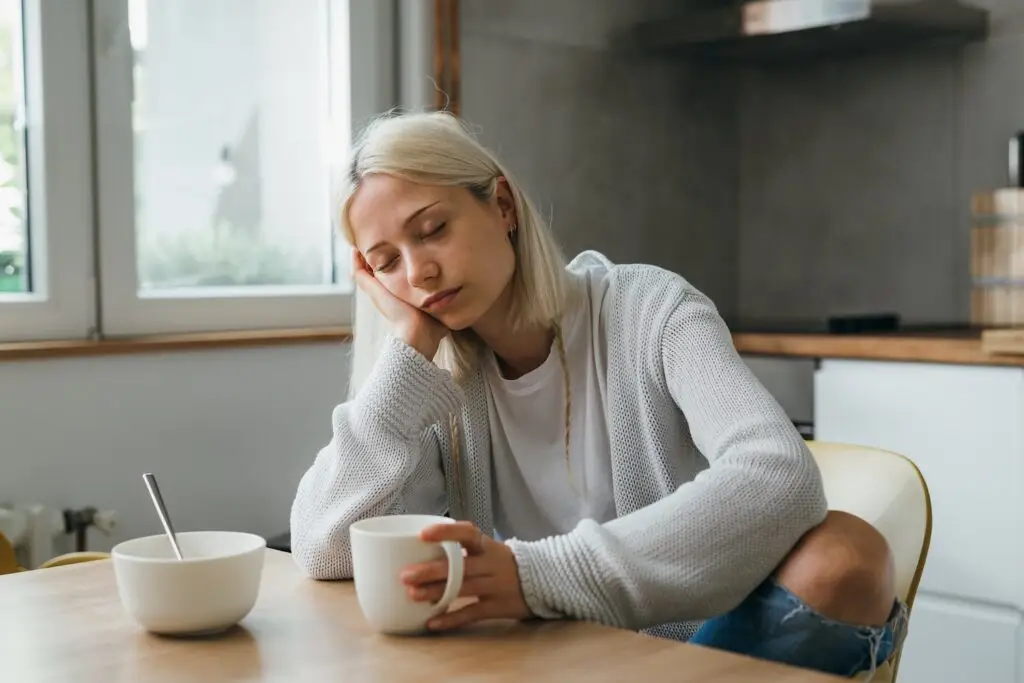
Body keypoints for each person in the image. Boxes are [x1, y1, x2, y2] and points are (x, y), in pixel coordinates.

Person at [290, 110, 906, 678]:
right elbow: (323, 548)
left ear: (501, 204)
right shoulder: (433, 381)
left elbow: (779, 475)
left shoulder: (652, 310)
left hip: (687, 652)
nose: (418, 272)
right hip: (535, 660)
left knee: (846, 555)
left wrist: (538, 576)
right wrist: (405, 353)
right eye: (386, 261)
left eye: (433, 230)